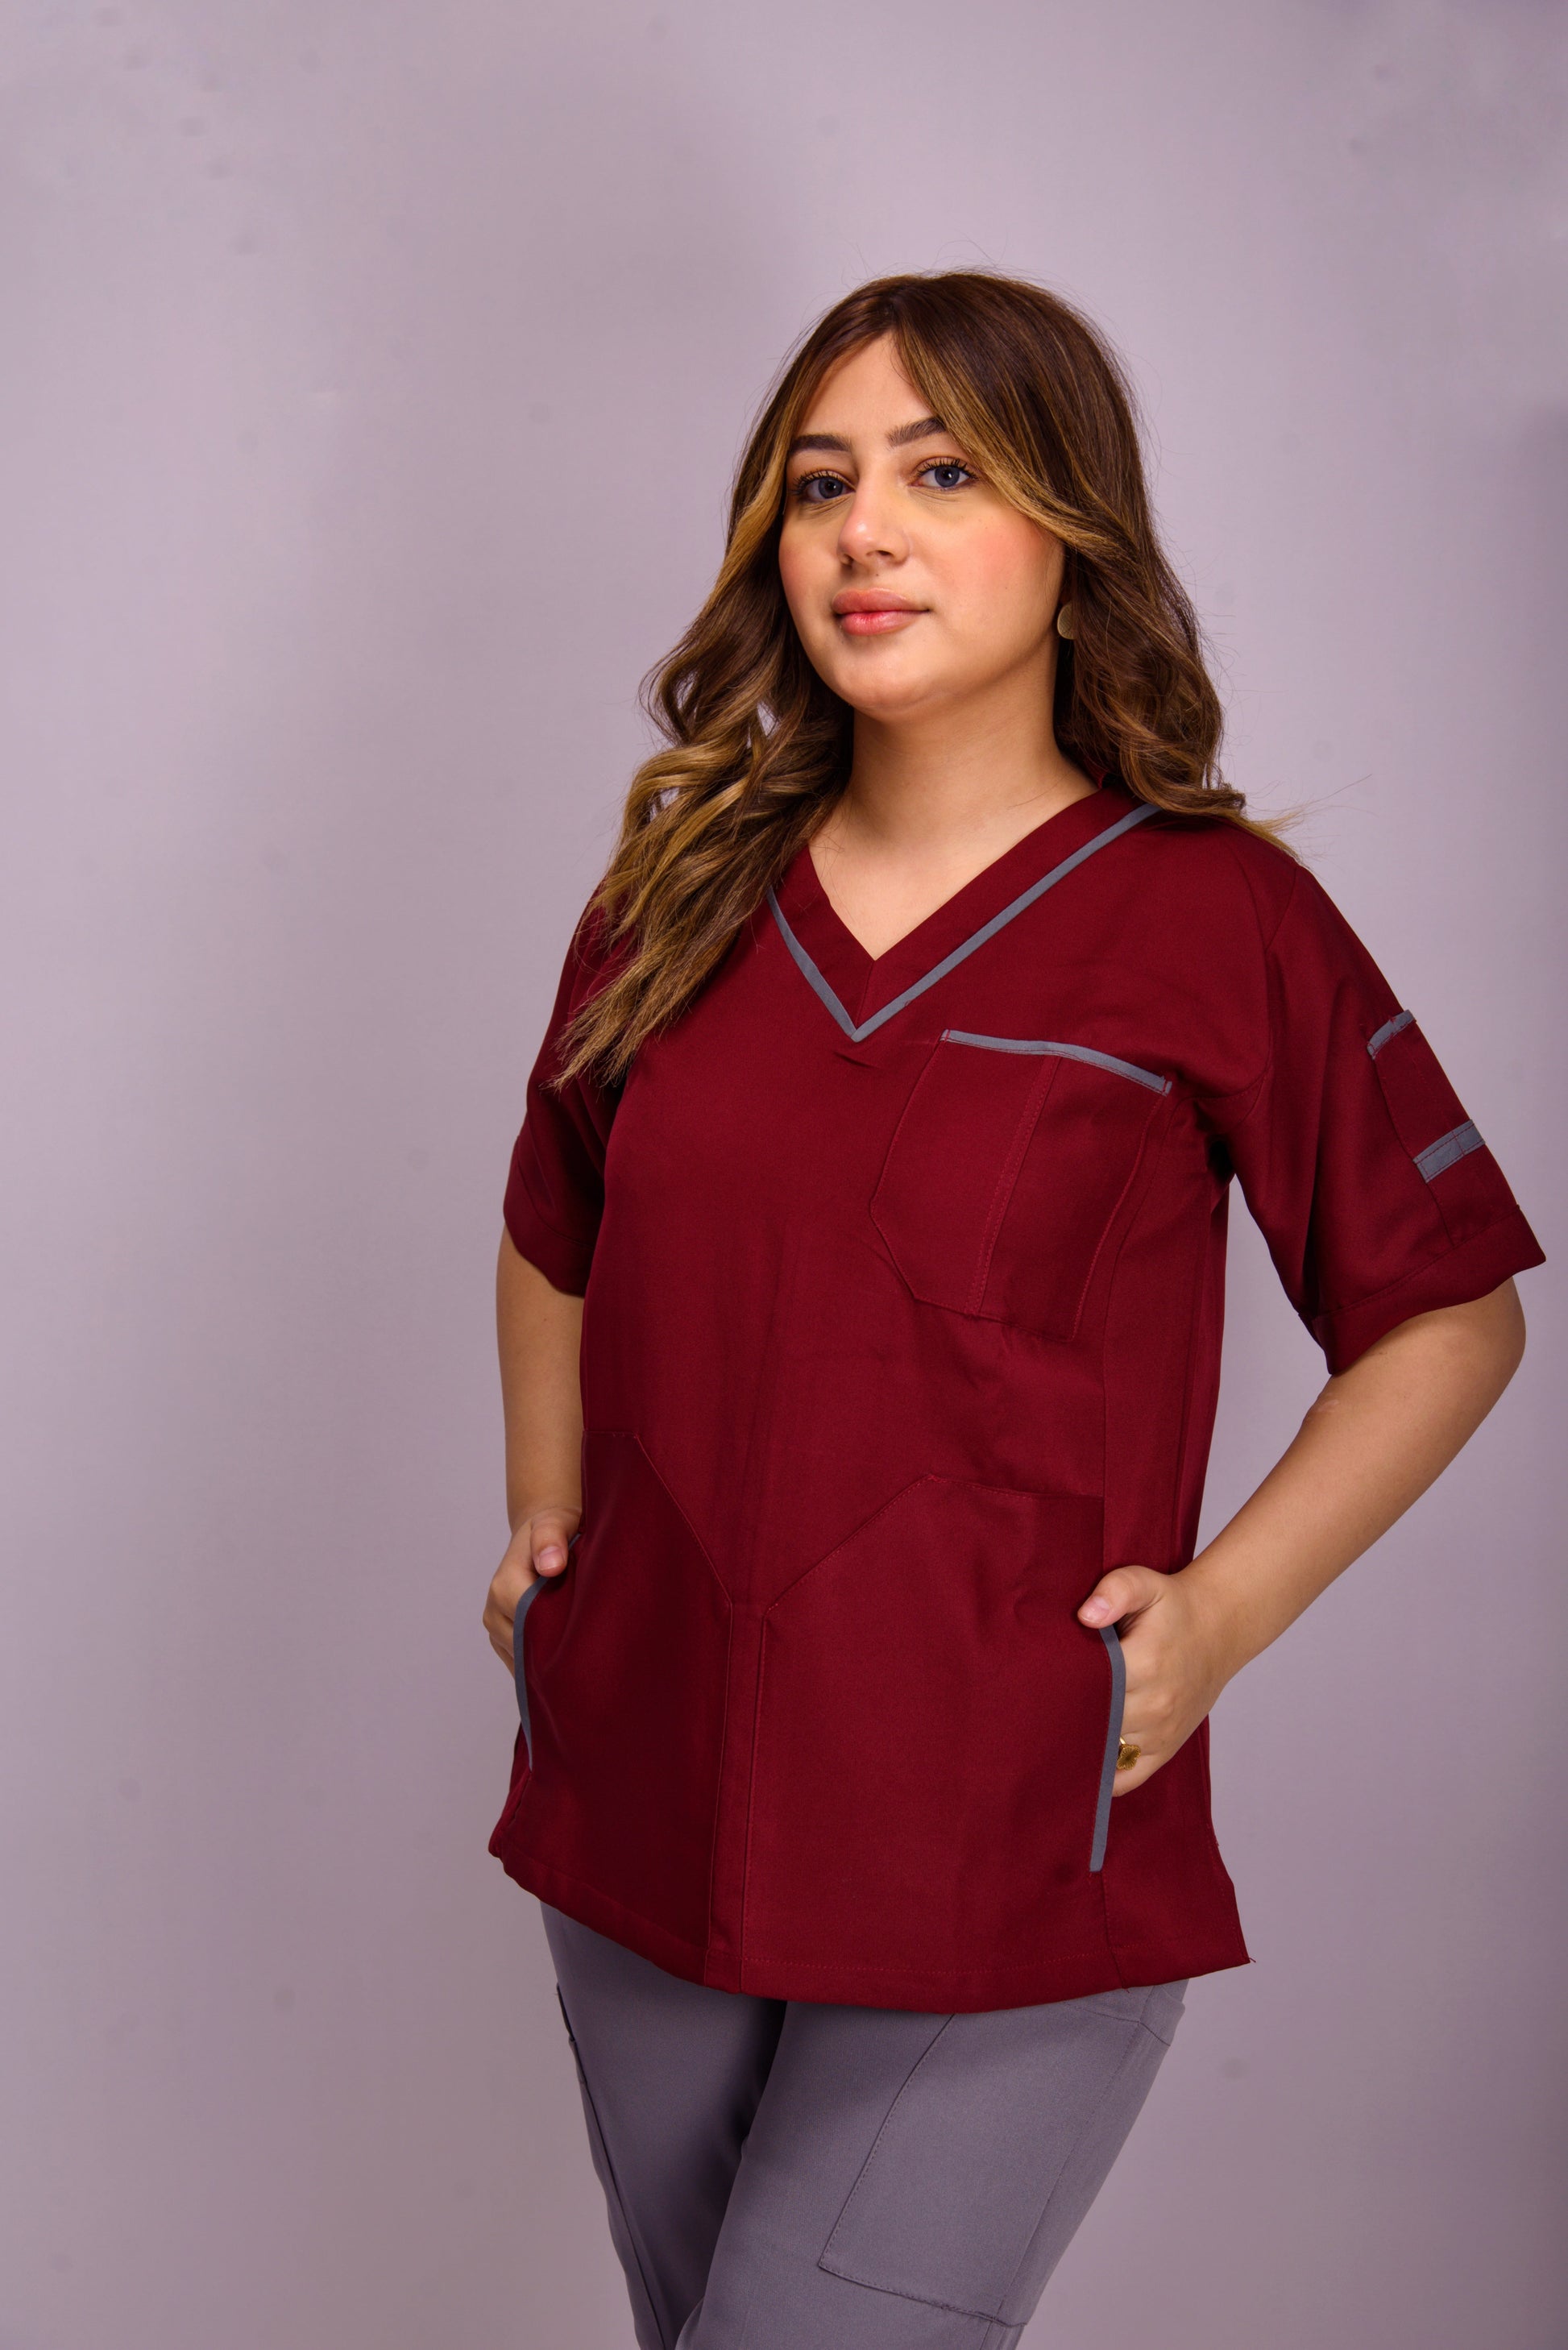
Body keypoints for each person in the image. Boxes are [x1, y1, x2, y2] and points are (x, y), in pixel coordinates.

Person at [479, 271, 1542, 2349]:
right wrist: (548, 1526)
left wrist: (1216, 1622)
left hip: (999, 1827)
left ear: (1074, 533)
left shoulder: (1218, 919)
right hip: (643, 1805)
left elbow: (1450, 1315)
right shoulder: (672, 903)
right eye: (820, 484)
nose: (864, 531)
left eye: (943, 472)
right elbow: (553, 1219)